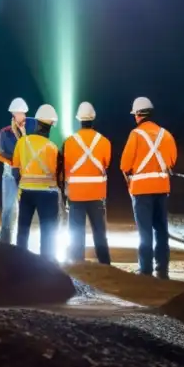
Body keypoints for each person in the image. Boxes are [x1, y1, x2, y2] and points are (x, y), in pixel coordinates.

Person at [121, 96, 177, 278]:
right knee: (161, 230)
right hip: (162, 189)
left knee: (145, 232)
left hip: (141, 191)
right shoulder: (166, 135)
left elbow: (124, 165)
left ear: (137, 115)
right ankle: (162, 270)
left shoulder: (135, 135)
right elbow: (172, 161)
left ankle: (145, 270)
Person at [64, 101, 112, 264]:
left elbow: (66, 167)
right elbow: (106, 164)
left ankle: (77, 263)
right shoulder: (104, 141)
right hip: (97, 194)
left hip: (76, 195)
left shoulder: (70, 142)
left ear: (79, 119)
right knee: (99, 231)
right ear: (93, 119)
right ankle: (105, 263)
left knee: (76, 232)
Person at [13, 104, 63, 259]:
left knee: (23, 231)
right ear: (51, 126)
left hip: (26, 192)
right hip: (48, 194)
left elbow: (15, 170)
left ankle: (20, 263)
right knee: (48, 233)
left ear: (36, 122)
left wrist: (20, 187)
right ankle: (47, 266)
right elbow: (58, 175)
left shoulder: (22, 142)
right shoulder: (53, 148)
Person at [0, 97, 28, 244]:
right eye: (19, 113)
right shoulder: (5, 132)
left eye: (23, 113)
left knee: (26, 210)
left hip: (26, 174)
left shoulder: (30, 131)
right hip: (9, 174)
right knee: (8, 210)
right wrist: (12, 162)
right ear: (13, 114)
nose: (22, 115)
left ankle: (22, 243)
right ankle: (5, 244)